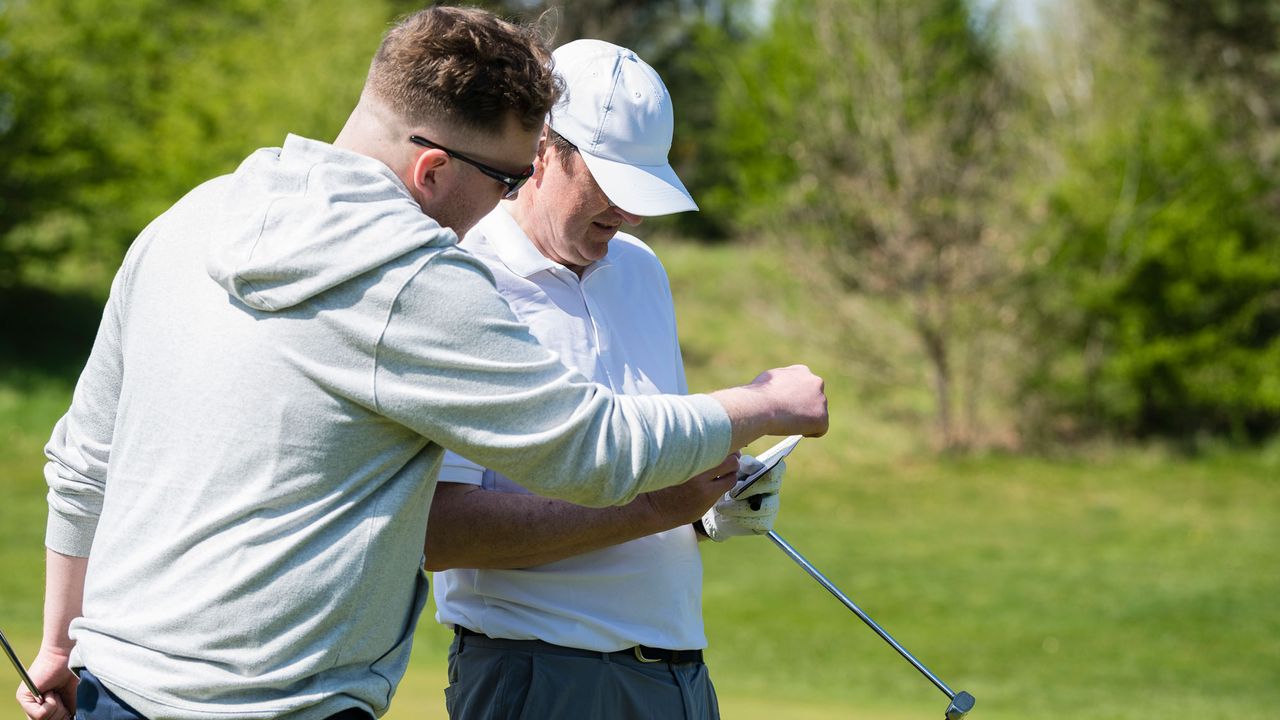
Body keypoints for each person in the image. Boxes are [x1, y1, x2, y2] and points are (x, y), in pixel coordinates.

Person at [17, 9, 828, 720]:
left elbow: (84, 462)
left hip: (110, 687)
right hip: (286, 702)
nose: (502, 206)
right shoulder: (418, 280)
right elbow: (587, 448)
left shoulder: (185, 220)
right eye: (507, 179)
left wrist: (58, 642)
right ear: (433, 171)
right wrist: (764, 402)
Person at [427, 39, 788, 720]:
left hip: (679, 675)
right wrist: (653, 509)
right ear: (542, 149)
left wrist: (707, 506)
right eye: (611, 186)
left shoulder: (642, 269)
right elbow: (440, 531)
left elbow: (647, 473)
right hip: (539, 675)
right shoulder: (463, 279)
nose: (629, 214)